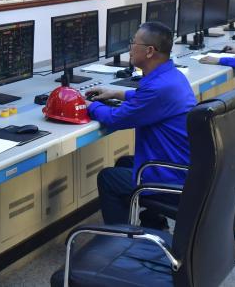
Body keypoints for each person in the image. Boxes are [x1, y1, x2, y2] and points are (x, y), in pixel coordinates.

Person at [84, 21, 196, 227]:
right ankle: (154, 224)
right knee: (124, 163)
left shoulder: (158, 88)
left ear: (149, 51)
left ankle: (121, 239)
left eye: (133, 43)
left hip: (174, 181)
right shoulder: (171, 76)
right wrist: (116, 93)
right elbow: (147, 98)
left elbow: (115, 119)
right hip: (187, 169)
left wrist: (88, 105)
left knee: (108, 178)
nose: (130, 48)